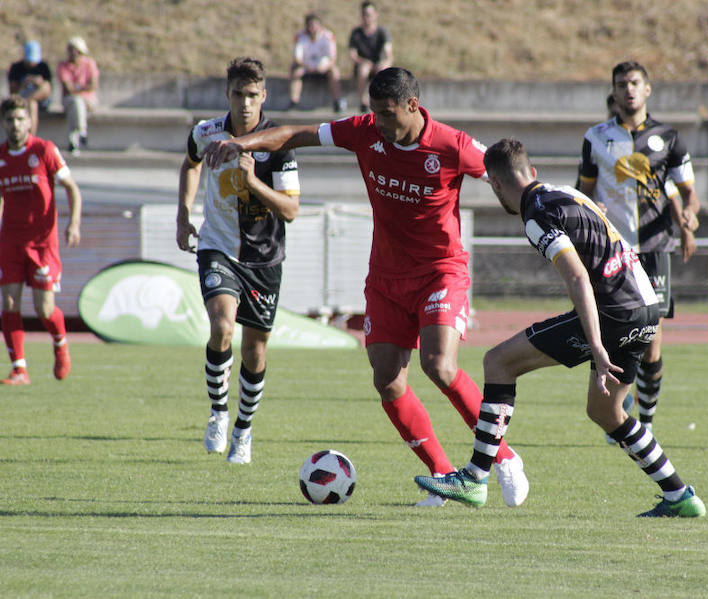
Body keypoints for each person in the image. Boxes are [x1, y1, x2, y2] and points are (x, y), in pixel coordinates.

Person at [203, 67, 529, 507]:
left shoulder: (451, 145)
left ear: (413, 106)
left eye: (386, 113)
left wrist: (544, 205)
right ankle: (443, 474)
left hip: (440, 271)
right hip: (386, 278)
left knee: (439, 365)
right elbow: (295, 134)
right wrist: (238, 143)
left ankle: (505, 458)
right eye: (372, 112)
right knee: (388, 381)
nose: (377, 122)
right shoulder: (363, 131)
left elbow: (505, 173)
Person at [415, 139, 706, 517]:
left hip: (613, 312)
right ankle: (679, 495)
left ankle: (474, 477)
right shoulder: (563, 191)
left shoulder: (536, 216)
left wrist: (597, 345)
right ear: (531, 172)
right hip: (647, 307)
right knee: (606, 413)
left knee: (499, 363)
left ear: (495, 184)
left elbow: (577, 277)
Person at [176, 57, 300, 464]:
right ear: (226, 94)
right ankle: (218, 411)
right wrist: (183, 214)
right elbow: (191, 163)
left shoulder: (279, 142)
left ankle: (243, 431)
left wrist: (252, 182)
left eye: (252, 95)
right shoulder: (206, 132)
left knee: (255, 352)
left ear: (263, 96)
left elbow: (290, 210)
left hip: (264, 258)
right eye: (237, 94)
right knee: (221, 326)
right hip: (218, 246)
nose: (244, 103)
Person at [575, 61, 700, 432]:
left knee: (651, 340)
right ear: (613, 92)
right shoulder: (595, 137)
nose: (628, 89)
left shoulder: (669, 138)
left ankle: (645, 422)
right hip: (612, 250)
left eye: (634, 83)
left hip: (655, 248)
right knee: (614, 332)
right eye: (621, 84)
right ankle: (621, 408)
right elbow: (584, 191)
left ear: (647, 89)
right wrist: (588, 210)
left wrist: (689, 217)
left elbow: (687, 192)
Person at [0, 95, 82, 385]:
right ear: (4, 123)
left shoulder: (44, 150)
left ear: (29, 121)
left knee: (44, 308)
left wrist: (73, 223)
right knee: (8, 303)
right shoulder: (1, 157)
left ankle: (60, 342)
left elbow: (71, 188)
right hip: (10, 241)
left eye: (20, 119)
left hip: (42, 242)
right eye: (10, 119)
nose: (15, 124)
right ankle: (19, 369)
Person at [289, 13, 346, 113]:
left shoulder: (328, 36)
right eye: (310, 26)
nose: (312, 29)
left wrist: (324, 67)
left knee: (334, 71)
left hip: (323, 67)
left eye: (315, 26)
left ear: (320, 26)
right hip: (306, 67)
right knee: (296, 71)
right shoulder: (300, 36)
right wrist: (307, 66)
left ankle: (337, 101)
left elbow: (332, 59)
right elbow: (297, 58)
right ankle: (294, 101)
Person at [56, 36, 99, 155]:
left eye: (78, 52)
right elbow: (68, 88)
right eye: (71, 50)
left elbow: (93, 85)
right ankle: (82, 131)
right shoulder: (63, 66)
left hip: (89, 101)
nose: (74, 54)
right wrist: (83, 89)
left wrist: (77, 88)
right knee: (76, 103)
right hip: (71, 100)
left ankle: (73, 142)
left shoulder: (89, 63)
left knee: (76, 105)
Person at [348, 1, 393, 113]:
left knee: (383, 70)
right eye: (364, 14)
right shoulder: (356, 32)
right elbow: (352, 55)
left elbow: (388, 52)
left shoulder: (382, 32)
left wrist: (385, 62)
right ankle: (363, 102)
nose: (367, 17)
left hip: (378, 64)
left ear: (375, 15)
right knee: (364, 69)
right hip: (362, 64)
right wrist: (364, 62)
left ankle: (383, 100)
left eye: (369, 14)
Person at [7, 41, 53, 135]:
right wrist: (23, 84)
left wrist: (39, 83)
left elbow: (48, 89)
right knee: (32, 104)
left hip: (40, 100)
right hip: (22, 98)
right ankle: (31, 137)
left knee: (42, 89)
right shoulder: (16, 67)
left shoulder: (43, 67)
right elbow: (13, 93)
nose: (32, 63)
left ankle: (31, 138)